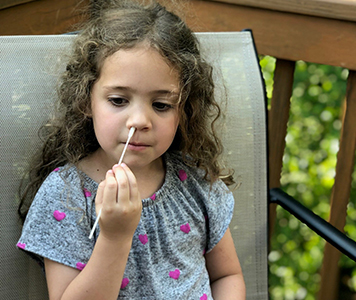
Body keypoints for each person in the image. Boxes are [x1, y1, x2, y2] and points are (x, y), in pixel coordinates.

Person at [16, 1, 245, 299]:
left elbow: (227, 275)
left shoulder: (196, 183)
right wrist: (115, 236)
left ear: (184, 111)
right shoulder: (65, 197)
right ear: (85, 100)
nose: (139, 121)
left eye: (161, 105)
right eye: (118, 100)